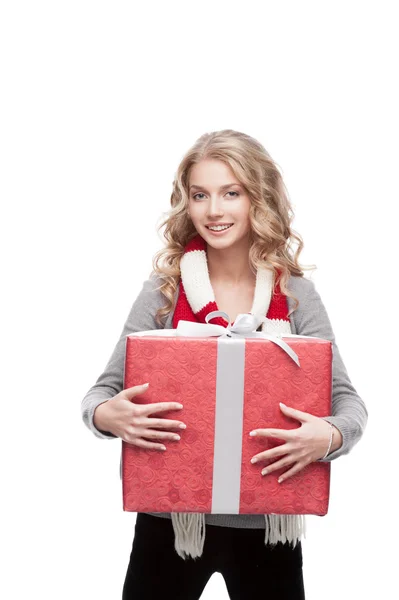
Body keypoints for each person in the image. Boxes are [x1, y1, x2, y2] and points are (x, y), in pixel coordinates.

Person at [81, 129, 368, 599]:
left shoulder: (296, 295)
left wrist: (330, 436)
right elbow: (101, 393)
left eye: (230, 193)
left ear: (260, 198)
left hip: (268, 525)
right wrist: (105, 416)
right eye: (200, 195)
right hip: (169, 524)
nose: (214, 210)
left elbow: (348, 403)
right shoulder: (164, 291)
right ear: (186, 203)